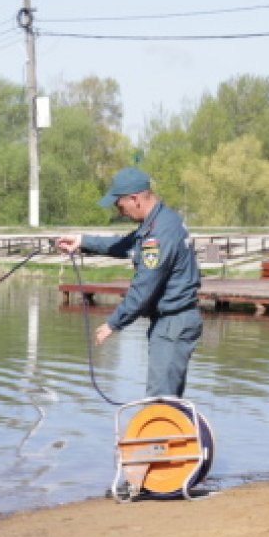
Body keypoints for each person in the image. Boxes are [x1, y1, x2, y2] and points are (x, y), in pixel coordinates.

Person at [56, 167, 202, 399]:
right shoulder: (160, 220)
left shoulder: (159, 234)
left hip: (173, 323)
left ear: (134, 199)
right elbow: (125, 245)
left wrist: (113, 324)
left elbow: (143, 288)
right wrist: (81, 241)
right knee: (166, 400)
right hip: (173, 322)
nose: (120, 211)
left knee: (159, 403)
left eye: (119, 205)